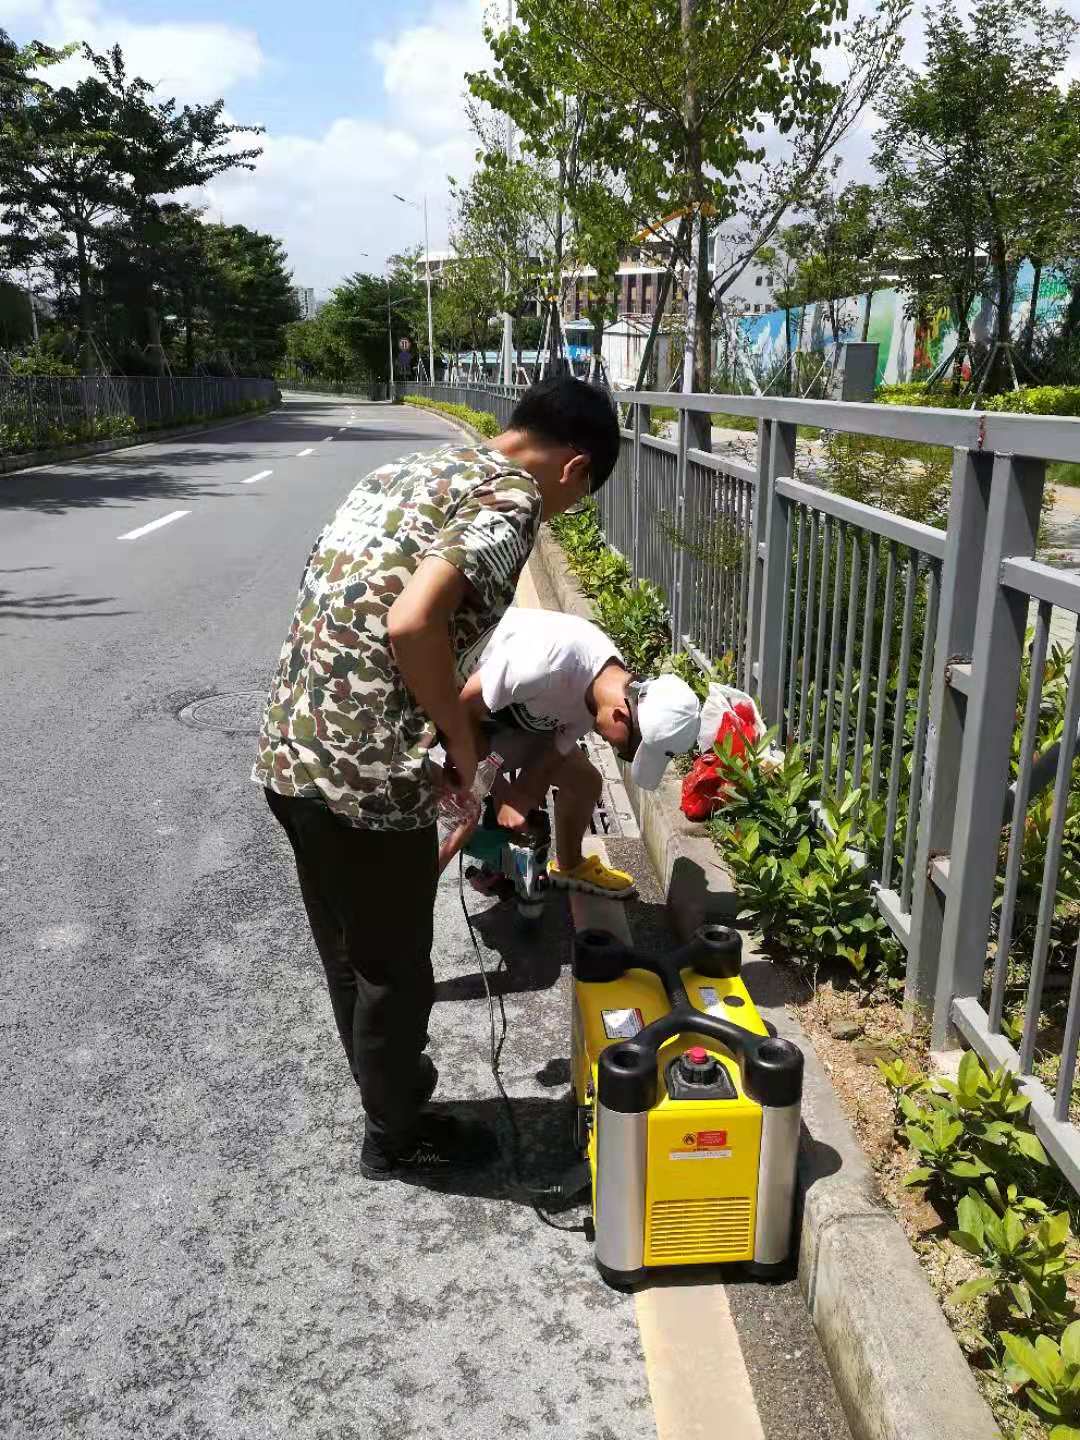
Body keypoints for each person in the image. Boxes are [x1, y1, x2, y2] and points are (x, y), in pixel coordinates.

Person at [253, 378, 620, 1181]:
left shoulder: (404, 474)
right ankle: (398, 1133)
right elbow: (411, 621)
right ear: (576, 466)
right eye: (579, 498)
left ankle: (380, 1094)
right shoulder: (513, 497)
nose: (563, 513)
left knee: (347, 946)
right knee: (395, 966)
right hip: (366, 774)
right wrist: (456, 738)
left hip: (290, 747)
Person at [447, 608, 701, 897]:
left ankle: (569, 866)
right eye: (626, 748)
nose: (617, 750)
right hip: (448, 709)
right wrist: (501, 792)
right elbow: (459, 713)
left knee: (585, 783)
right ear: (620, 714)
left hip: (507, 720)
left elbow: (554, 748)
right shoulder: (543, 665)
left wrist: (524, 797)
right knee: (454, 804)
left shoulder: (607, 685)